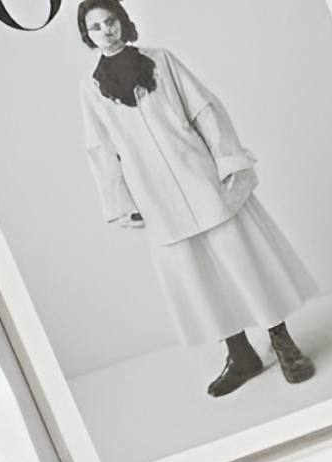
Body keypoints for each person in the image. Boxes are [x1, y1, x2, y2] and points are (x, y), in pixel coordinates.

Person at [77, 2, 317, 397]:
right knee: (200, 276)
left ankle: (283, 343)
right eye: (96, 27)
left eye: (111, 21)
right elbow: (100, 148)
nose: (107, 31)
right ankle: (240, 354)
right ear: (87, 36)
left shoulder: (160, 61)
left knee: (244, 260)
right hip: (154, 192)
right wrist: (120, 201)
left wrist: (227, 160)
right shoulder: (91, 89)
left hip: (201, 176)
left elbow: (205, 108)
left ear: (122, 22)